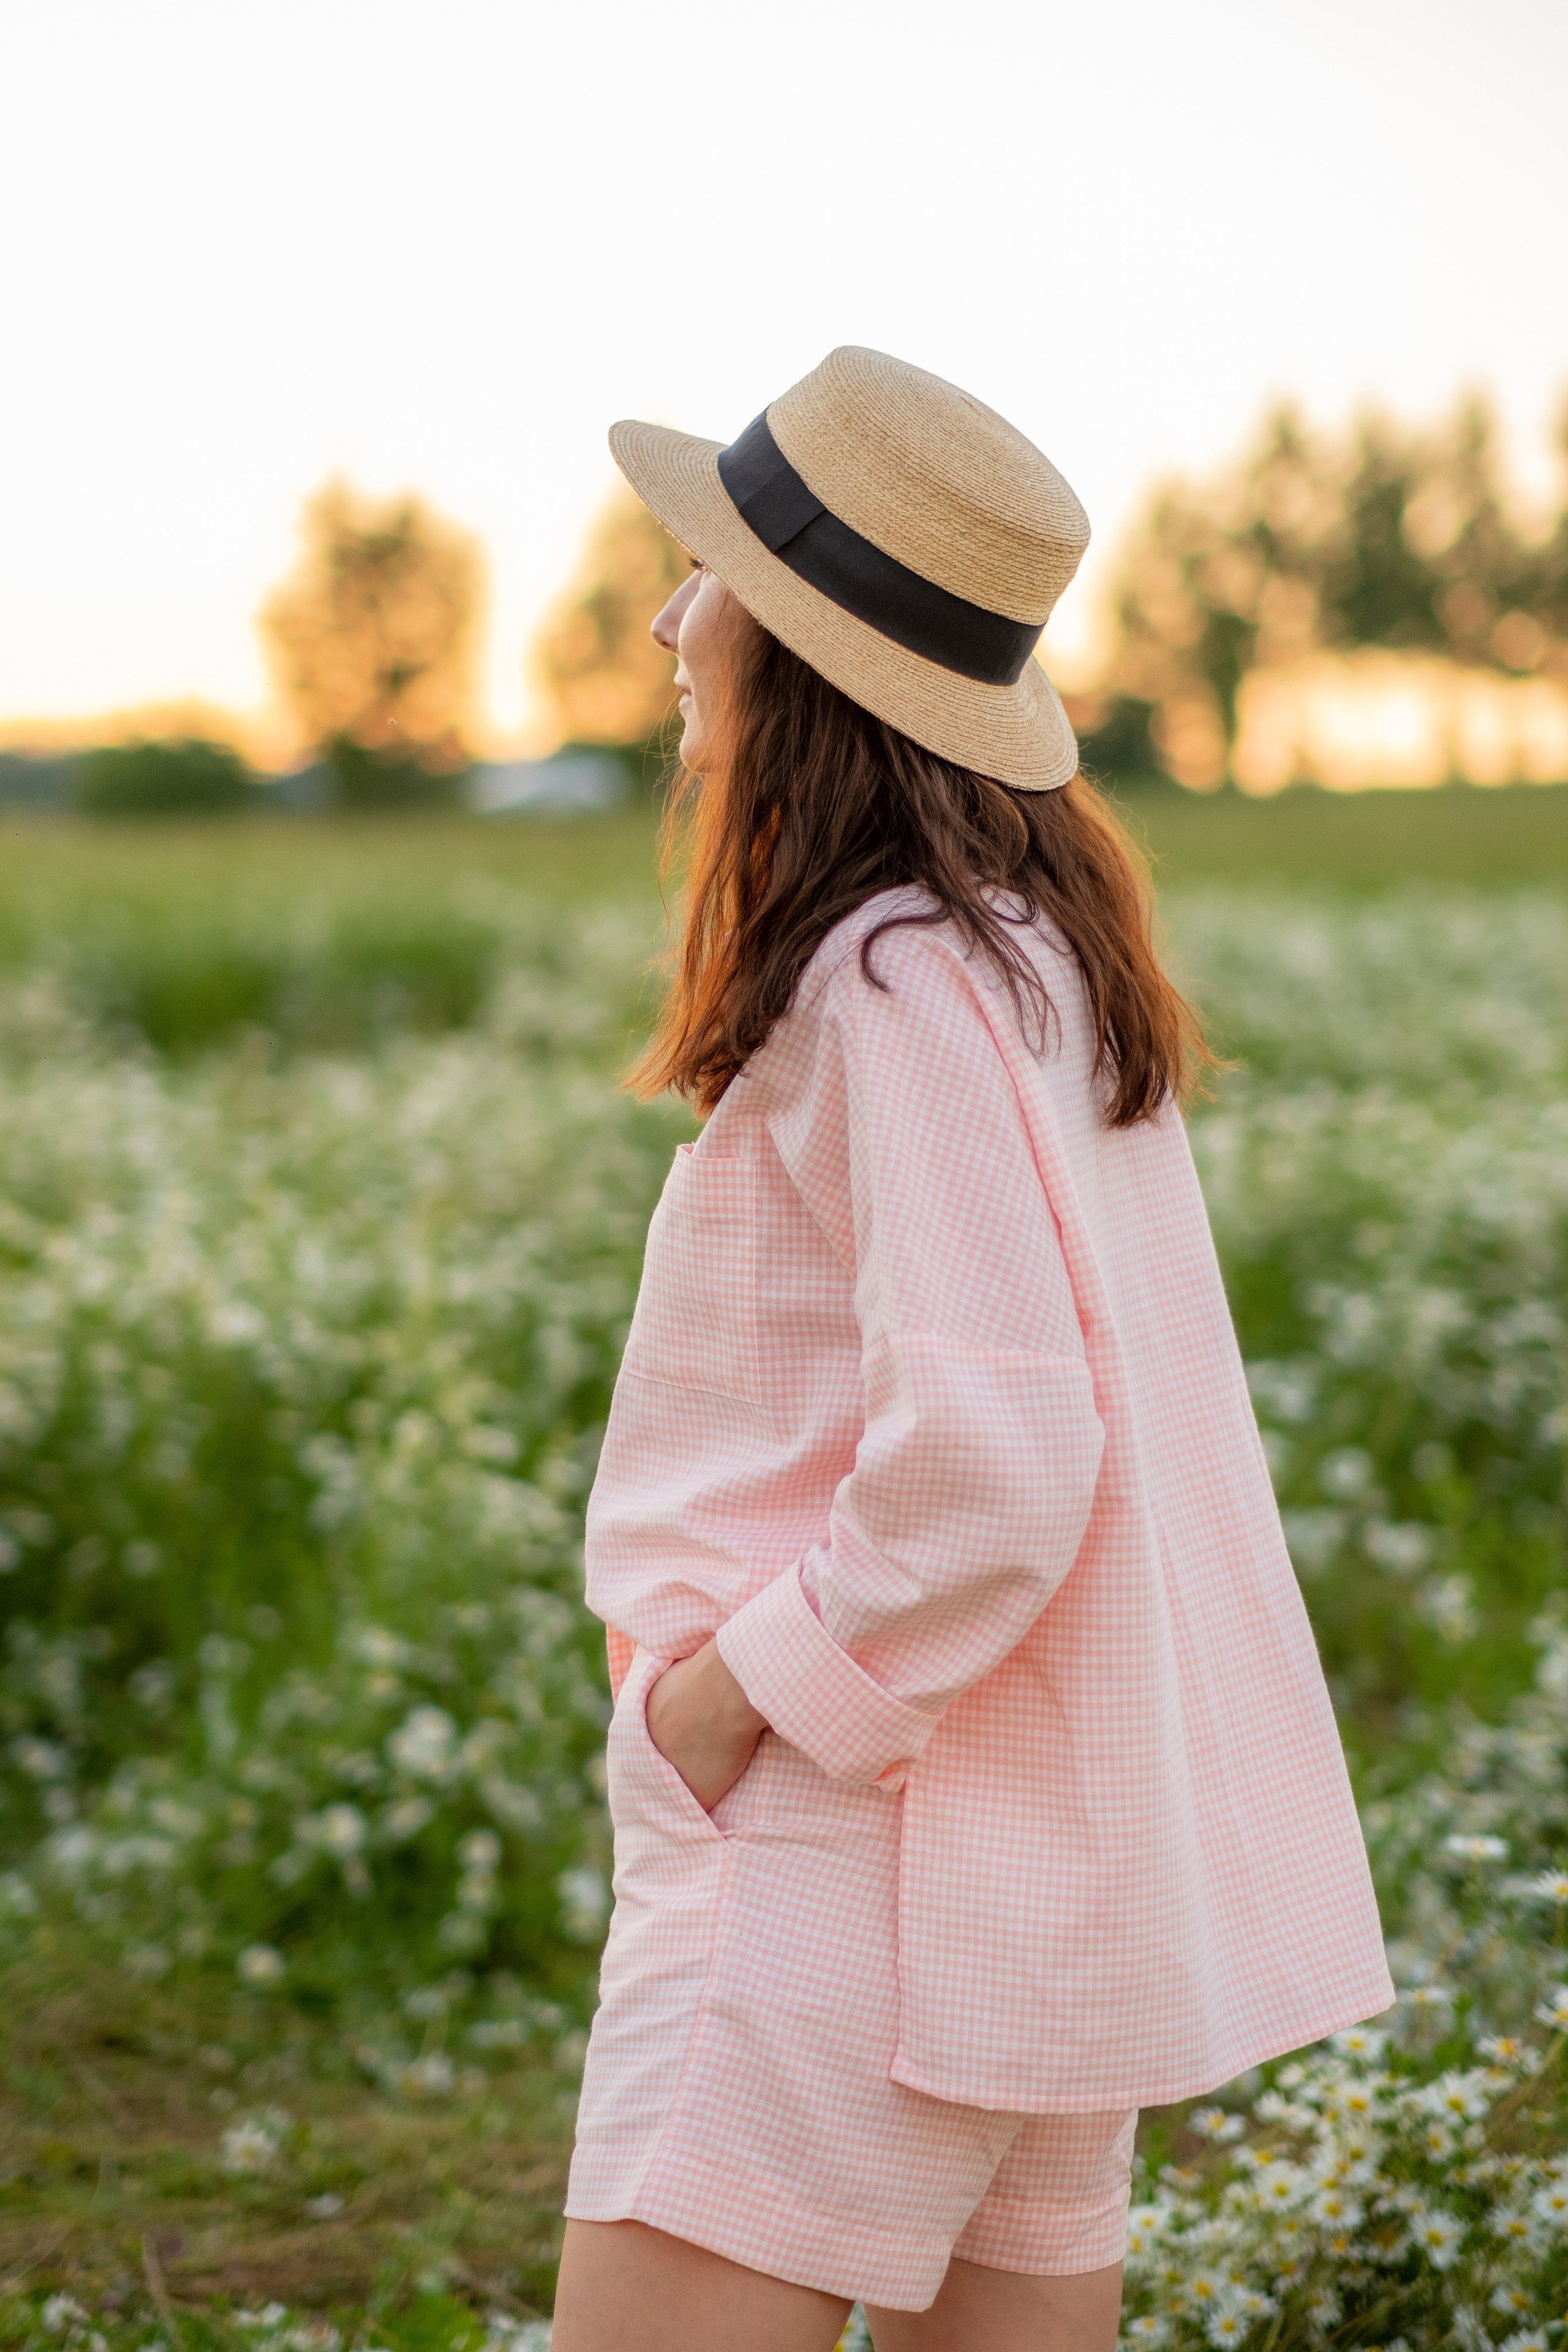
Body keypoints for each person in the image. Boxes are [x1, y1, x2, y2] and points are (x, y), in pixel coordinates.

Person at [550, 349, 1392, 2352]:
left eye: (710, 572)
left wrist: (728, 1706)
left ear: (803, 646)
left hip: (844, 1845)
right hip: (1032, 1866)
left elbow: (1001, 1462)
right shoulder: (1029, 956)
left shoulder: (885, 979)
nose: (671, 619)